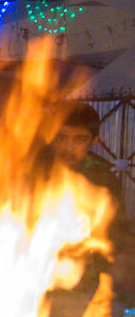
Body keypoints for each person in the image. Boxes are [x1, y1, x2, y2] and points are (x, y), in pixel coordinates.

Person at [48, 100, 134, 292]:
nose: (68, 148)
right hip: (36, 278)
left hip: (84, 283)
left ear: (94, 140)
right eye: (61, 138)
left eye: (79, 140)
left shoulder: (103, 179)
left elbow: (118, 234)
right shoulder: (34, 173)